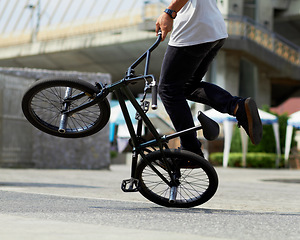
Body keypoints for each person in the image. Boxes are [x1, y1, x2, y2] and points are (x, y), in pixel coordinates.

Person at [155, 0, 263, 158]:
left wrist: (169, 12)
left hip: (192, 29)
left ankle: (190, 149)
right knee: (186, 87)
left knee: (168, 89)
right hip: (214, 29)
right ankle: (237, 107)